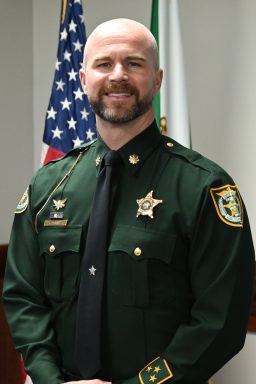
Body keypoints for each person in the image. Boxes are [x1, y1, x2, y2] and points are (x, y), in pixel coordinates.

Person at [3, 18, 255, 384]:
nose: (117, 75)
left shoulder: (204, 187)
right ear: (83, 79)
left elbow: (220, 321)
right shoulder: (48, 185)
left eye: (134, 63)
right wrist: (47, 378)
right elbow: (24, 297)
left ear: (157, 79)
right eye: (104, 64)